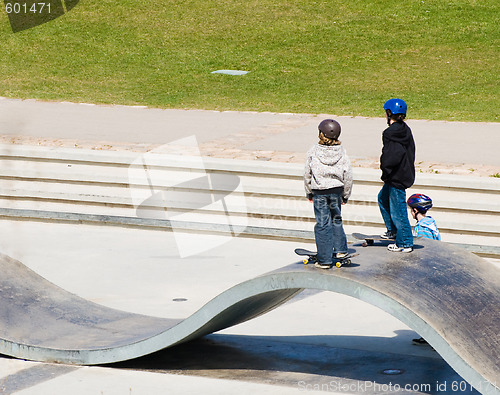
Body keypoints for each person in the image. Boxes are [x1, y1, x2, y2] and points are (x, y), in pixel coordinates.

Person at [304, 119, 353, 269]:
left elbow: (307, 173)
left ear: (320, 134)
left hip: (319, 192)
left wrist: (309, 192)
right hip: (336, 191)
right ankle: (340, 250)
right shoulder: (342, 152)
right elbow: (348, 176)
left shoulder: (313, 151)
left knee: (323, 224)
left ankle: (324, 259)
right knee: (336, 219)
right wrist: (345, 195)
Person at [378, 98, 416, 252]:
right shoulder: (405, 129)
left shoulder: (389, 133)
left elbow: (391, 156)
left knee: (398, 209)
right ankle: (393, 231)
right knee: (383, 198)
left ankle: (405, 242)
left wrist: (385, 172)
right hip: (404, 173)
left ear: (389, 113)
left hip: (395, 176)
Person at [407, 193, 441, 345]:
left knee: (428, 309)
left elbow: (424, 252)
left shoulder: (422, 230)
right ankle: (429, 336)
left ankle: (437, 341)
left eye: (411, 209)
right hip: (433, 270)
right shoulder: (430, 223)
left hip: (427, 272)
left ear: (415, 210)